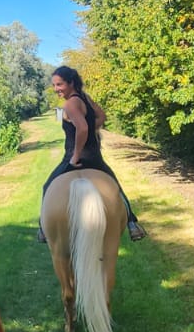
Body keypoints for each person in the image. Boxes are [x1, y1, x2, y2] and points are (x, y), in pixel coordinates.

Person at [37, 65, 146, 242]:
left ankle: (43, 229)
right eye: (54, 85)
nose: (56, 89)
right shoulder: (85, 98)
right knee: (115, 185)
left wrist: (75, 156)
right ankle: (132, 223)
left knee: (47, 186)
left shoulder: (70, 104)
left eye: (60, 84)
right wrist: (90, 131)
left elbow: (82, 128)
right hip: (95, 157)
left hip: (75, 157)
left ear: (71, 83)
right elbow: (102, 116)